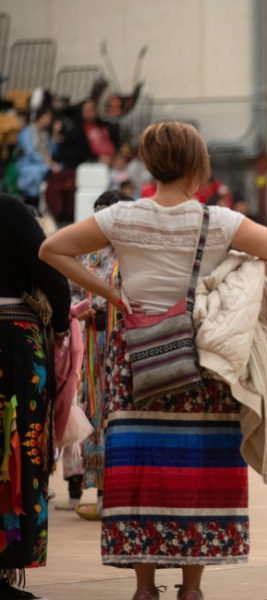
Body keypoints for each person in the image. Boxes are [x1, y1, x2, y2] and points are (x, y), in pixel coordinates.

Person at [40, 122, 267, 600]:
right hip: (201, 356)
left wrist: (112, 295)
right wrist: (225, 284)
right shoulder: (218, 221)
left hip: (135, 357)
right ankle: (192, 586)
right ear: (198, 165)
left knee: (140, 464)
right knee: (200, 465)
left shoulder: (120, 217)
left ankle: (143, 587)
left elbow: (52, 249)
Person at [0, 194, 71, 600]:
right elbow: (51, 271)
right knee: (14, 453)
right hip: (11, 343)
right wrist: (60, 324)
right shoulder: (8, 210)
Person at [59, 191, 133, 519]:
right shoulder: (88, 253)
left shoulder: (135, 253)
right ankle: (103, 493)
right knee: (95, 411)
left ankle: (123, 492)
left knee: (121, 412)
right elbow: (72, 289)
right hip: (92, 346)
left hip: (126, 345)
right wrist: (78, 310)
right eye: (98, 216)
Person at [47, 100, 120, 222]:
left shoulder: (106, 127)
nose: (90, 113)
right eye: (86, 110)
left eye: (92, 109)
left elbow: (116, 146)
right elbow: (76, 154)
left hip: (113, 165)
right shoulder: (75, 132)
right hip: (92, 167)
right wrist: (97, 159)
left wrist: (116, 157)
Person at [16, 106, 60, 208]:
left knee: (60, 169)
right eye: (49, 117)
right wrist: (47, 163)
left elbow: (52, 152)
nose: (50, 120)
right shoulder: (27, 133)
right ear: (41, 117)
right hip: (28, 166)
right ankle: (34, 202)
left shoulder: (44, 133)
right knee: (41, 171)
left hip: (42, 164)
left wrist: (55, 134)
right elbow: (29, 153)